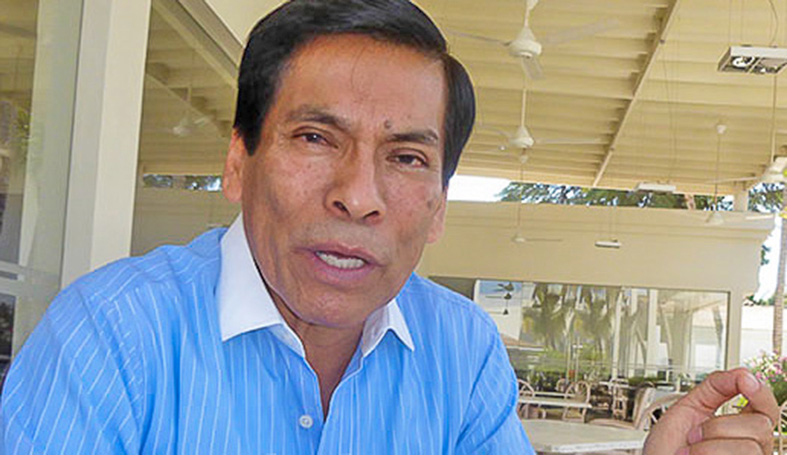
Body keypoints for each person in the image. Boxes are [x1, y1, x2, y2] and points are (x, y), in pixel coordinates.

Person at [0, 0, 778, 454]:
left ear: (437, 206)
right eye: (315, 137)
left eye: (406, 157)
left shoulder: (460, 351)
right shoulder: (110, 336)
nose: (358, 196)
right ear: (237, 162)